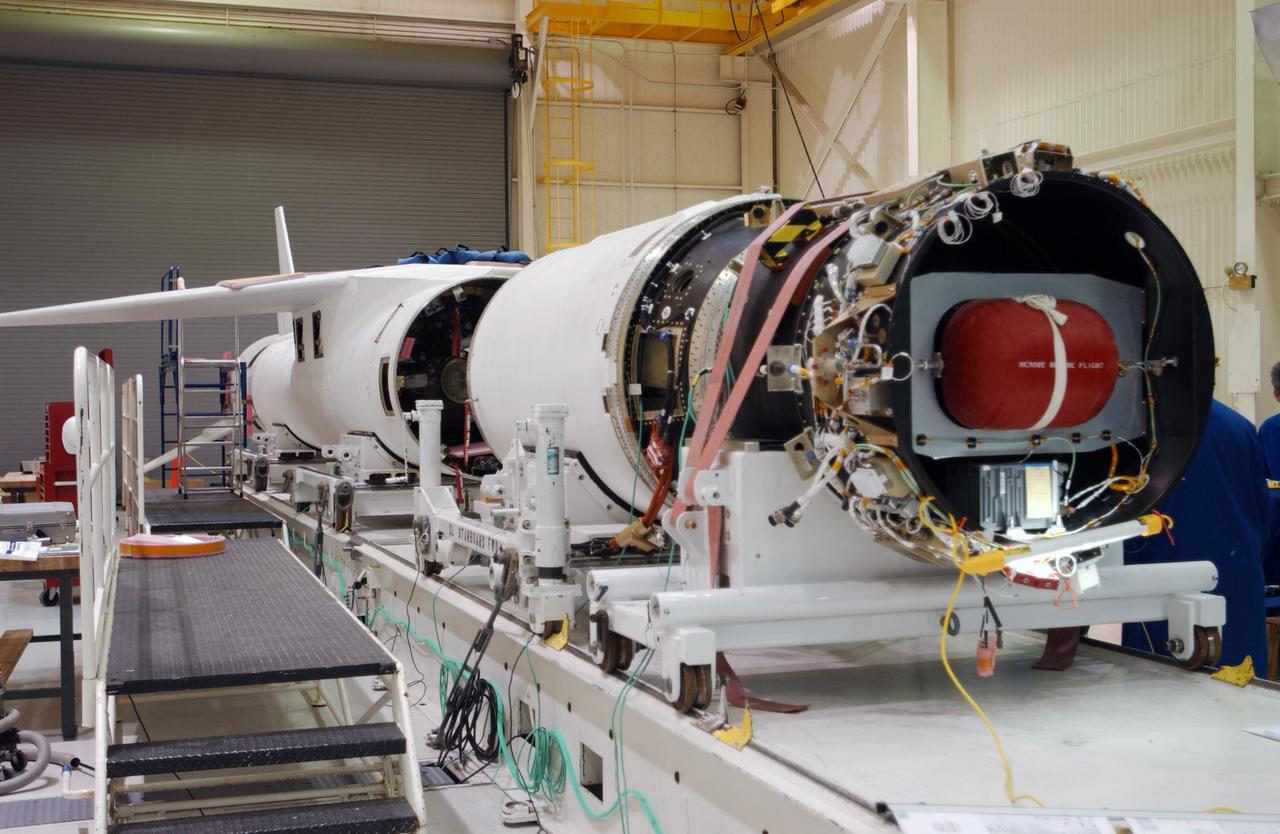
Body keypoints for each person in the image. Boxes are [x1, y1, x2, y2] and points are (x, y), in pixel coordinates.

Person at [1121, 400, 1270, 669]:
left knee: (1162, 680)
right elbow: (1262, 509)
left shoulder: (1139, 425)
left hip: (1166, 570)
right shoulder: (1239, 425)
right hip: (1236, 571)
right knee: (1243, 680)